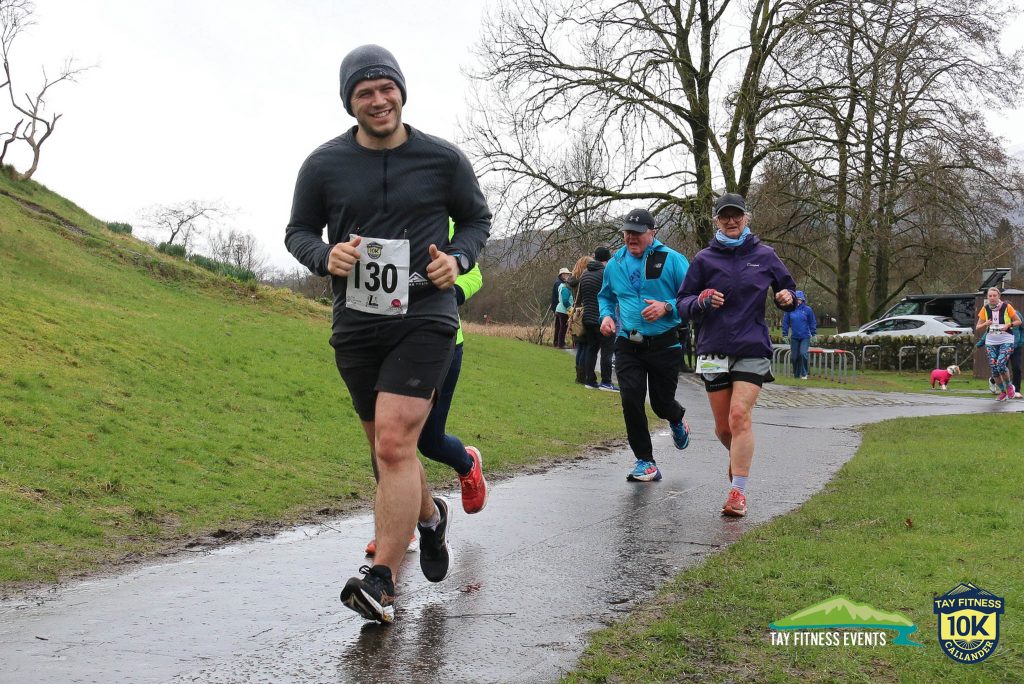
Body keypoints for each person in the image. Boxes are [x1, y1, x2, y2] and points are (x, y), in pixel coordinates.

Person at [284, 44, 490, 623]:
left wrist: (458, 258)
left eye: (386, 89)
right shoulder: (323, 164)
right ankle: (430, 517)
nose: (378, 101)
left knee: (397, 444)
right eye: (364, 93)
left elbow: (477, 219)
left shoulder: (442, 159)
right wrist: (325, 256)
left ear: (401, 92)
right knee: (386, 453)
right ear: (349, 102)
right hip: (357, 322)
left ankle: (382, 581)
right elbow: (298, 231)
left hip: (425, 315)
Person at [364, 219, 488, 557]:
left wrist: (451, 290)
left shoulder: (441, 215)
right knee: (386, 441)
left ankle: (467, 463)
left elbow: (474, 273)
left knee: (428, 441)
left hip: (439, 341)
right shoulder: (375, 209)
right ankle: (398, 529)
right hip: (384, 341)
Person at [677, 193, 796, 517]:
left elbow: (791, 291)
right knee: (724, 429)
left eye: (737, 215)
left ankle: (738, 492)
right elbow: (682, 302)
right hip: (713, 347)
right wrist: (700, 302)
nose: (731, 221)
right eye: (724, 216)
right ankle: (739, 457)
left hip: (751, 346)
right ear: (716, 220)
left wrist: (788, 298)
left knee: (739, 415)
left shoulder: (764, 255)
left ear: (746, 218)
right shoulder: (704, 259)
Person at [598, 208, 691, 482]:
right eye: (627, 232)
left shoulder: (672, 260)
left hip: (664, 344)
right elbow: (606, 297)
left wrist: (667, 307)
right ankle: (645, 461)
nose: (631, 238)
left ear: (652, 233)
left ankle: (676, 418)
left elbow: (691, 298)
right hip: (629, 342)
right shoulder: (615, 264)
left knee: (661, 404)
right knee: (631, 399)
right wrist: (606, 316)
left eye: (637, 233)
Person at [580, 246, 617, 390]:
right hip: (602, 318)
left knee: (591, 349)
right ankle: (606, 381)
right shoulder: (605, 273)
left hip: (587, 318)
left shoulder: (585, 274)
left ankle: (590, 380)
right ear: (607, 259)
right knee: (607, 351)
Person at [976, 286, 1021, 402]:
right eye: (990, 296)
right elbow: (978, 327)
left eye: (994, 295)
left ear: (999, 296)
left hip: (1006, 339)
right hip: (991, 341)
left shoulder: (1007, 307)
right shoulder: (985, 308)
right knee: (994, 368)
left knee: (1000, 365)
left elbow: (1018, 321)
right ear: (987, 297)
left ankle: (1009, 386)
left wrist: (1009, 325)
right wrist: (985, 323)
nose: (992, 298)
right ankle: (1003, 392)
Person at [781, 290, 816, 379]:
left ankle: (804, 374)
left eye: (799, 299)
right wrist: (785, 334)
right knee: (794, 357)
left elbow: (812, 322)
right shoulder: (789, 310)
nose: (798, 301)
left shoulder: (808, 310)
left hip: (805, 337)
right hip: (794, 337)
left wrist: (813, 334)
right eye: (796, 299)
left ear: (802, 300)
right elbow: (785, 322)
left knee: (803, 354)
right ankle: (796, 375)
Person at [568, 255, 592, 379]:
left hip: (575, 314)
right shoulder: (584, 280)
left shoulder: (573, 281)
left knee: (580, 346)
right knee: (586, 345)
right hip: (583, 313)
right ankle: (583, 375)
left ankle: (579, 374)